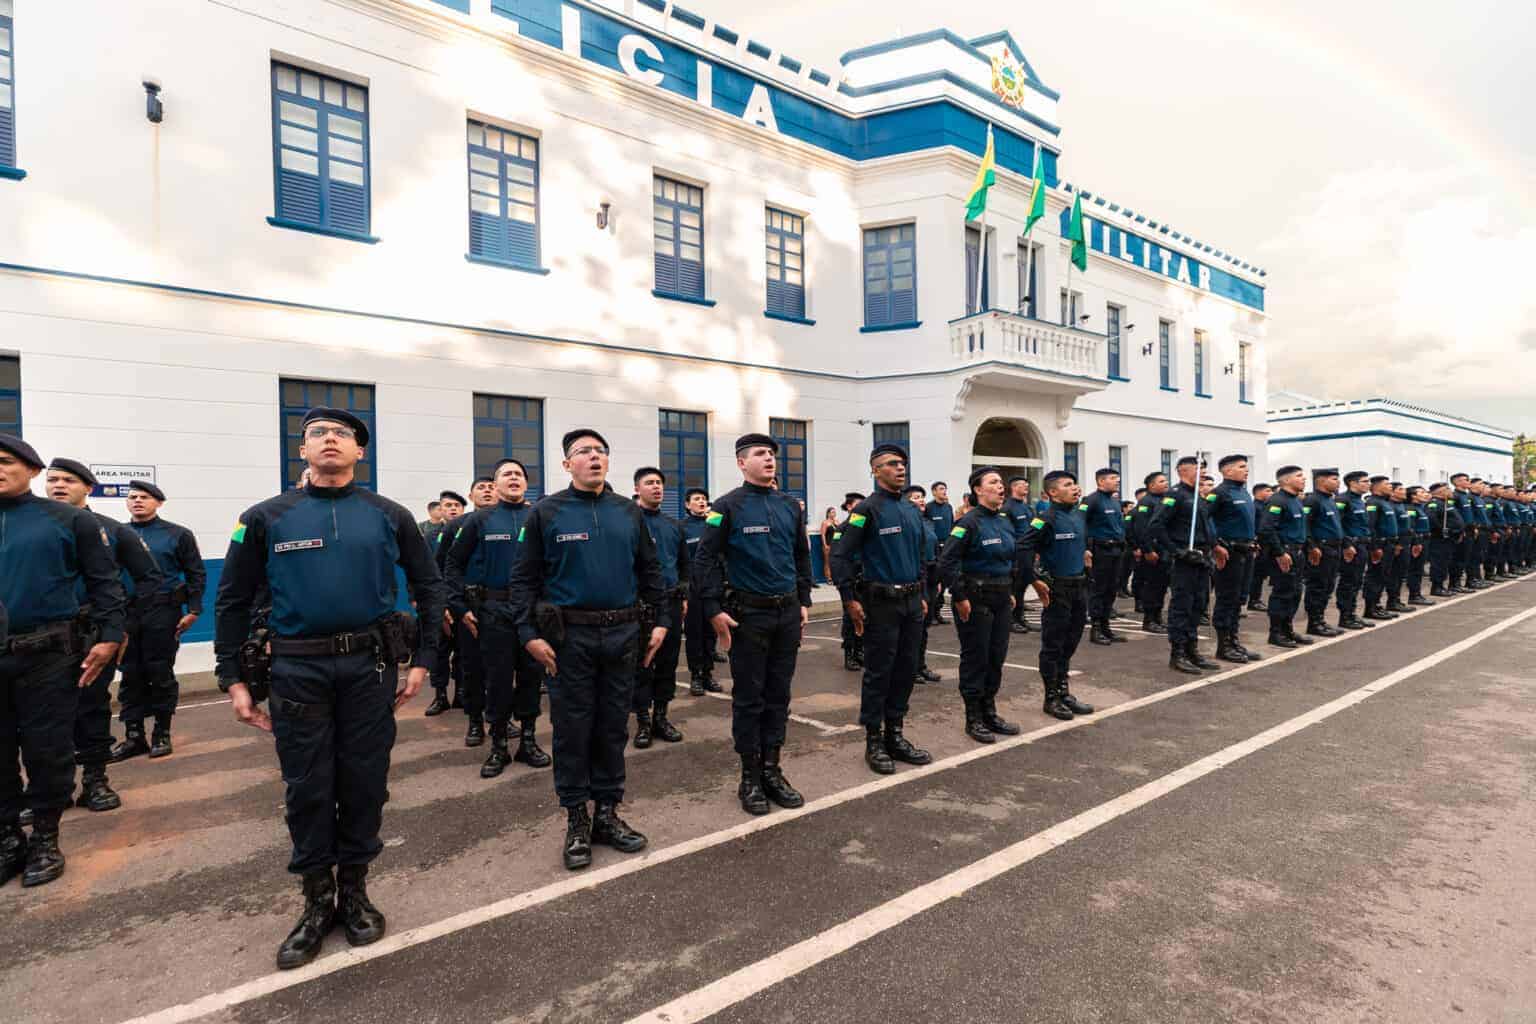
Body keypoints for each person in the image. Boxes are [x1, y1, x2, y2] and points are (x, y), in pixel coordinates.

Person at [214, 408, 443, 966]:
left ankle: (356, 891)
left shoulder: (390, 515)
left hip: (369, 670)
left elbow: (429, 585)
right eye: (318, 433)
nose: (331, 440)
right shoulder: (264, 518)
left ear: (360, 452)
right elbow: (232, 600)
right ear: (303, 451)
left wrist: (424, 660)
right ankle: (317, 901)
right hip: (297, 671)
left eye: (344, 434)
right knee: (308, 786)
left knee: (364, 782)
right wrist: (232, 677)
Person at [507, 429, 669, 870]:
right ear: (566, 464)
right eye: (584, 452)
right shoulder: (546, 513)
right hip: (568, 641)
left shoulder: (627, 513)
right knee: (573, 730)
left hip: (623, 636)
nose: (594, 458)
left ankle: (608, 815)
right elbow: (523, 580)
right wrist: (528, 634)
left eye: (601, 451)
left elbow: (651, 572)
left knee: (613, 727)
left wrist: (662, 623)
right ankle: (577, 819)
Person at [1, 435, 126, 888]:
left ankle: (45, 838)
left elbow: (105, 584)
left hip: (48, 654)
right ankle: (8, 837)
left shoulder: (68, 521)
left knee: (46, 748)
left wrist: (111, 637)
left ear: (31, 471)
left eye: (5, 462)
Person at [693, 434, 813, 812]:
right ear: (741, 462)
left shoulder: (789, 506)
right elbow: (705, 560)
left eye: (772, 454)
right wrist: (712, 608)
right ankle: (749, 777)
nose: (769, 459)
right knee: (749, 698)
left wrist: (804, 598)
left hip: (787, 612)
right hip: (748, 616)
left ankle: (773, 769)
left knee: (779, 695)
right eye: (760, 454)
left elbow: (800, 554)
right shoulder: (726, 507)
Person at [44, 459, 162, 813]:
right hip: (39, 637)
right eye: (53, 480)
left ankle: (95, 781)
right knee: (43, 719)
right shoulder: (35, 529)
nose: (59, 486)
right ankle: (54, 790)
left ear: (88, 488)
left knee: (91, 709)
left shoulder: (111, 531)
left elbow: (150, 579)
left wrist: (119, 624)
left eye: (68, 480)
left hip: (89, 634)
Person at [443, 458, 549, 777]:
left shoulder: (539, 517)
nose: (513, 478)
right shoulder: (479, 521)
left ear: (526, 484)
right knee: (498, 680)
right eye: (506, 474)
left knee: (532, 678)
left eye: (519, 474)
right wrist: (460, 608)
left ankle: (528, 741)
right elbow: (452, 565)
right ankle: (499, 746)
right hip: (493, 612)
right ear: (497, 484)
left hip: (532, 612)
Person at [831, 445, 932, 775]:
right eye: (891, 464)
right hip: (881, 603)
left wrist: (923, 591)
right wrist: (849, 598)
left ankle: (896, 735)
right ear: (875, 470)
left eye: (902, 463)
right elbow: (840, 554)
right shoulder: (865, 510)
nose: (900, 468)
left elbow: (921, 556)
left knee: (906, 670)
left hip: (912, 602)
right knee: (879, 672)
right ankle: (874, 741)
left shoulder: (911, 509)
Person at [109, 480, 205, 761]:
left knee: (159, 671)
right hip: (127, 613)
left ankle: (161, 733)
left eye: (145, 497)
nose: (137, 501)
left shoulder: (177, 535)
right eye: (133, 497)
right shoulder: (116, 534)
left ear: (158, 503)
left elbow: (195, 573)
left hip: (163, 612)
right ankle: (134, 736)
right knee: (130, 674)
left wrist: (194, 609)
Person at [937, 466, 1022, 742]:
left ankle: (989, 711)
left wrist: (1008, 589)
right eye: (994, 482)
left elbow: (1008, 559)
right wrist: (959, 596)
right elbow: (947, 562)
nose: (1001, 487)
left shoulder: (1005, 520)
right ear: (977, 489)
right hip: (977, 600)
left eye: (1002, 483)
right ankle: (973, 717)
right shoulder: (967, 523)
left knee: (996, 658)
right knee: (977, 658)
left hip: (1001, 596)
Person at [1016, 471, 1096, 720]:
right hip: (1057, 589)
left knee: (1071, 641)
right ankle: (1051, 697)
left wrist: (1084, 553)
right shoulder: (1044, 519)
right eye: (1067, 485)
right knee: (1054, 645)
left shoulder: (1078, 515)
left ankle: (1064, 692)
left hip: (1078, 586)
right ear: (1052, 492)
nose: (1075, 488)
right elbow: (1023, 547)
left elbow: (1079, 541)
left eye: (1075, 483)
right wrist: (1035, 579)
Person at [629, 467, 688, 750]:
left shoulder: (674, 526)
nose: (656, 487)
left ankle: (661, 717)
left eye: (659, 483)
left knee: (667, 663)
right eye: (649, 483)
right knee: (642, 664)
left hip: (671, 604)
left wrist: (684, 593)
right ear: (637, 489)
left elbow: (685, 566)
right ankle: (642, 720)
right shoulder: (628, 522)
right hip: (639, 606)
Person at [1148, 457, 1221, 673]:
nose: (1203, 473)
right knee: (1182, 606)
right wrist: (1177, 552)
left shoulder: (1197, 496)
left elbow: (1205, 528)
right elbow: (1156, 526)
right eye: (1199, 469)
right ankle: (1177, 653)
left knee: (1198, 606)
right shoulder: (1174, 495)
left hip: (1201, 559)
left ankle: (1192, 650)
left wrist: (1213, 547)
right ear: (1183, 471)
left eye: (1205, 469)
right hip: (1184, 561)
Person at [1205, 455, 1262, 662]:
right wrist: (1216, 545)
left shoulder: (1244, 492)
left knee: (1239, 600)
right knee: (1227, 599)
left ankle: (1234, 641)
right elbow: (1205, 519)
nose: (1246, 470)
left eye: (1246, 467)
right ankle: (1223, 646)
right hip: (1229, 553)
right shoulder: (1219, 493)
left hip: (1246, 552)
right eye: (1241, 467)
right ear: (1227, 471)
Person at [1257, 466, 1314, 648]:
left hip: (1297, 553)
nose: (1304, 479)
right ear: (1286, 480)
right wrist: (1280, 553)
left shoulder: (1296, 501)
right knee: (1282, 594)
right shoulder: (1277, 501)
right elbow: (1266, 529)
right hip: (1284, 553)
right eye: (1299, 476)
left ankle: (1287, 629)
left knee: (1295, 592)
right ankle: (1276, 633)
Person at [424, 490, 468, 716]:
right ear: (440, 510)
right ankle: (439, 696)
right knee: (439, 652)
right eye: (447, 506)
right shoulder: (430, 537)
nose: (452, 509)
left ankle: (461, 692)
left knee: (463, 652)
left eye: (457, 506)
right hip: (438, 604)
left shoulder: (470, 532)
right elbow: (424, 571)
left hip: (462, 602)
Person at [680, 487, 722, 696]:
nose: (702, 501)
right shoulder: (682, 527)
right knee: (694, 634)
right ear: (687, 505)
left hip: (713, 587)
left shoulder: (713, 521)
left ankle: (708, 674)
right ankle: (696, 675)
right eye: (697, 499)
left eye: (704, 498)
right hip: (694, 589)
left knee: (710, 633)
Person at [1083, 468, 1129, 646]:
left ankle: (1105, 626)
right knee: (1099, 590)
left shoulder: (1115, 501)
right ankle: (1095, 629)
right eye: (1112, 478)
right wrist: (1085, 549)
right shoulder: (1091, 500)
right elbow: (1082, 523)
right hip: (1100, 551)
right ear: (1101, 481)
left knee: (1111, 590)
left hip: (1116, 550)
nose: (1117, 481)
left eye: (1117, 478)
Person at [1300, 468, 1347, 638]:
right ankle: (1314, 622)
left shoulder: (1330, 500)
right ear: (1321, 481)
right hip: (1321, 550)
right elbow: (1304, 525)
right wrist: (1312, 546)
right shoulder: (1312, 500)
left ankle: (1320, 620)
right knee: (1317, 586)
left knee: (1328, 586)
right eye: (1334, 479)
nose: (1338, 482)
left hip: (1334, 549)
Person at [905, 485, 942, 684]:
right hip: (915, 577)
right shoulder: (907, 522)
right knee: (914, 628)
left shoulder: (928, 522)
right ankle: (910, 669)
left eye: (922, 497)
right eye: (916, 497)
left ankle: (921, 665)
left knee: (924, 627)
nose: (921, 500)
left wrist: (936, 580)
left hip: (930, 576)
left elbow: (934, 550)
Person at [1333, 472, 1374, 629]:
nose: (1368, 484)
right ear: (1352, 483)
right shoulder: (1343, 500)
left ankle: (1352, 614)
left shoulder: (1360, 501)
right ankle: (1345, 617)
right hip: (1350, 547)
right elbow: (1338, 525)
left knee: (1357, 581)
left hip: (1362, 545)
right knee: (1348, 582)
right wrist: (1346, 545)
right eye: (1364, 481)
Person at [1130, 473, 1170, 635]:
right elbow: (1141, 529)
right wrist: (1147, 550)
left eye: (1166, 480)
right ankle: (1149, 619)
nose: (1166, 483)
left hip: (1164, 549)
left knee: (1161, 586)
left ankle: (1157, 617)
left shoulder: (1165, 500)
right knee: (1152, 586)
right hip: (1152, 550)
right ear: (1151, 486)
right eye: (1161, 481)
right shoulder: (1145, 502)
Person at [1362, 476, 1402, 619]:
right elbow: (1371, 526)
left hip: (1389, 545)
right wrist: (1375, 547)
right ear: (1377, 487)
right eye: (1387, 484)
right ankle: (1370, 608)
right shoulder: (1372, 503)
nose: (1390, 487)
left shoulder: (1385, 503)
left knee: (1383, 576)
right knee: (1375, 576)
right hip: (1380, 545)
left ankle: (1377, 605)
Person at [836, 492, 865, 671]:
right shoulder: (842, 528)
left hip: (865, 579)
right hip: (849, 579)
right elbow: (837, 557)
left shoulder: (865, 528)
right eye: (857, 505)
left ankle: (860, 651)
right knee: (850, 618)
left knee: (865, 617)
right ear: (849, 507)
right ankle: (849, 654)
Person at [1002, 476, 1035, 634]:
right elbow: (1006, 532)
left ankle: (1020, 617)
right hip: (1016, 553)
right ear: (1014, 487)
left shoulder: (1027, 507)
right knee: (1015, 587)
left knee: (1022, 586)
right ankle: (1011, 620)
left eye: (1027, 485)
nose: (1026, 487)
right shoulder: (1007, 507)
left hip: (1029, 551)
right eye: (1023, 485)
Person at [1424, 483, 1465, 596]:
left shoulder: (1446, 503)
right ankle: (1436, 587)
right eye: (1448, 489)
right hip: (1440, 539)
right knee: (1439, 563)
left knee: (1445, 562)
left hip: (1450, 539)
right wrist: (1442, 530)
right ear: (1440, 492)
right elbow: (1432, 519)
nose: (1451, 491)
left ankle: (1442, 585)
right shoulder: (1434, 504)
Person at [925, 482, 955, 624]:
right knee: (934, 581)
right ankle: (930, 614)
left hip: (947, 549)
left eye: (945, 488)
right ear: (934, 492)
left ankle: (937, 612)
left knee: (943, 582)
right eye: (941, 489)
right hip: (934, 550)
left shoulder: (948, 507)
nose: (944, 491)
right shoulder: (928, 508)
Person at [1247, 483, 1276, 612]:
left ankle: (1256, 599)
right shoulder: (1255, 507)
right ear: (1258, 493)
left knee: (1261, 574)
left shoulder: (1266, 506)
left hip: (1267, 544)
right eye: (1268, 491)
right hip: (1259, 544)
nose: (1271, 493)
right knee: (1256, 574)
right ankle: (1253, 600)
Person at [1402, 486, 1434, 605]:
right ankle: (1414, 595)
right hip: (1416, 542)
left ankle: (1416, 594)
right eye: (1421, 492)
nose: (1425, 494)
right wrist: (1416, 542)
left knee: (1418, 569)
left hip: (1423, 540)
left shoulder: (1419, 508)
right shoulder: (1410, 509)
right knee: (1414, 569)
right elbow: (1411, 527)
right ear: (1413, 496)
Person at [819, 506, 839, 586]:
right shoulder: (825, 522)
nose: (833, 514)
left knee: (835, 562)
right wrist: (825, 545)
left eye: (834, 512)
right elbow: (823, 535)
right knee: (827, 562)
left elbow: (839, 532)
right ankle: (829, 578)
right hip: (828, 544)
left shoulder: (837, 521)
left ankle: (835, 577)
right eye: (832, 512)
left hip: (836, 544)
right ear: (828, 513)